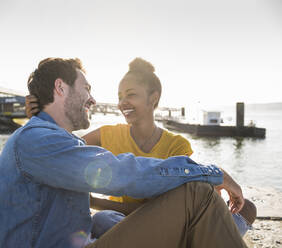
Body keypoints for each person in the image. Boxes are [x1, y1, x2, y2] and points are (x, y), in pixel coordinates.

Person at [11, 57, 248, 248]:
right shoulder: (37, 140)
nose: (93, 100)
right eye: (87, 88)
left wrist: (44, 121)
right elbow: (127, 173)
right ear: (60, 88)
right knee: (198, 194)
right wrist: (212, 172)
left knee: (211, 201)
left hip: (86, 239)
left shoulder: (47, 140)